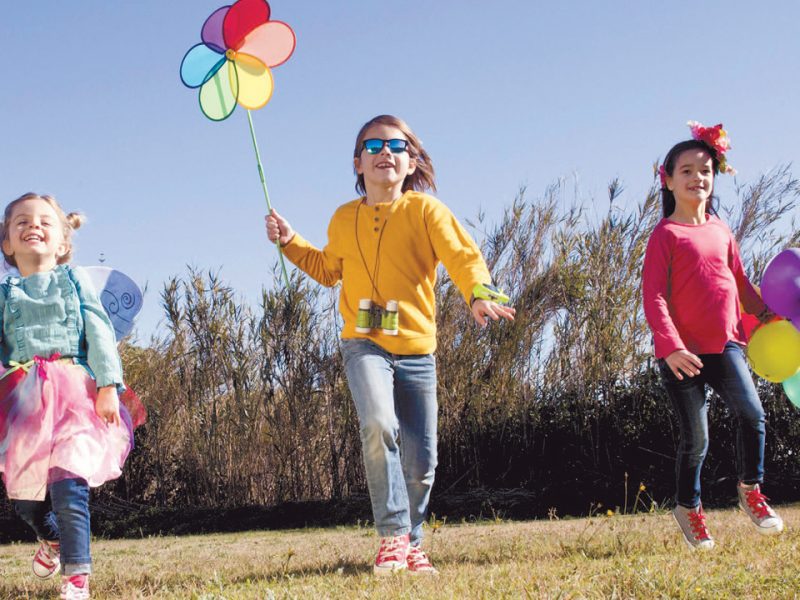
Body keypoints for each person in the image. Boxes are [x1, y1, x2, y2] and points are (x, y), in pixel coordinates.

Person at [266, 115, 515, 574]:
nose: (386, 152)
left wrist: (478, 292)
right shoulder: (344, 217)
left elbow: (462, 256)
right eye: (374, 145)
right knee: (379, 423)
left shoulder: (426, 210)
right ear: (358, 163)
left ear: (411, 160)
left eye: (397, 145)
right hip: (363, 343)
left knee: (422, 460)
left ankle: (413, 543)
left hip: (417, 349)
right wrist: (289, 241)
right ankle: (392, 537)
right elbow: (327, 269)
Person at [642, 122, 784, 550]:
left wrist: (766, 313)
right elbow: (654, 298)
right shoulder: (664, 235)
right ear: (667, 179)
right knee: (697, 439)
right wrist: (671, 347)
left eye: (705, 170)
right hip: (682, 355)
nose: (697, 178)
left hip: (727, 345)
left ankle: (751, 490)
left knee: (753, 414)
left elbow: (739, 282)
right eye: (686, 171)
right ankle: (689, 508)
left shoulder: (721, 229)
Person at [0, 193, 142, 599]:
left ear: (63, 242)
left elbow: (98, 332)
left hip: (75, 395)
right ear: (7, 243)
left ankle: (76, 578)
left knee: (69, 483)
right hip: (23, 402)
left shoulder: (73, 279)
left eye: (45, 221)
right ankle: (54, 542)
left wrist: (108, 385)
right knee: (25, 499)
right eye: (21, 221)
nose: (33, 226)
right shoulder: (5, 292)